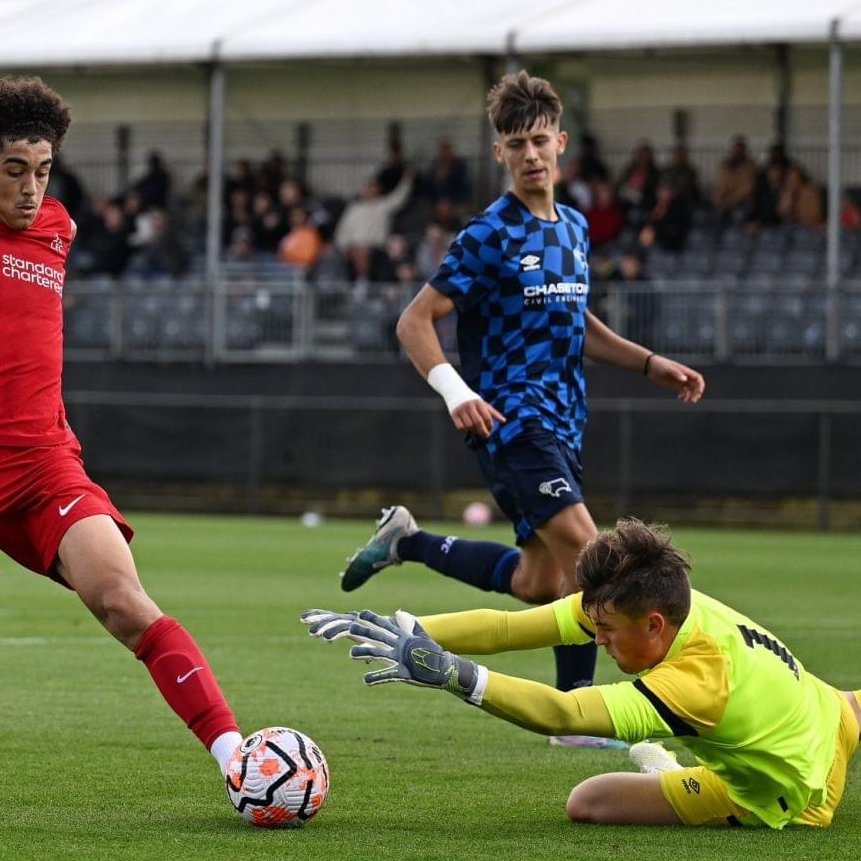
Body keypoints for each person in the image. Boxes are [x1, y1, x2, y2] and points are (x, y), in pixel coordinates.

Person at [338, 70, 704, 747]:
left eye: (539, 139)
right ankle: (578, 708)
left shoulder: (572, 226)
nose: (530, 154)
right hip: (511, 421)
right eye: (516, 143)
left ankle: (407, 541)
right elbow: (415, 322)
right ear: (499, 154)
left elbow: (577, 321)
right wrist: (458, 391)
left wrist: (648, 361)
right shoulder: (488, 234)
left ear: (561, 143)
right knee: (597, 556)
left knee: (543, 582)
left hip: (565, 420)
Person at [0, 77, 243, 792]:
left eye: (42, 171)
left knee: (124, 603)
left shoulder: (59, 229)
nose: (30, 190)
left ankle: (239, 761)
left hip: (44, 468)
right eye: (14, 169)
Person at [305, 518, 861, 829]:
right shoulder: (647, 598)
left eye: (609, 632)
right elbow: (507, 628)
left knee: (587, 801)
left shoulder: (691, 685)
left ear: (654, 625)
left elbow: (567, 712)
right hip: (834, 707)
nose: (597, 640)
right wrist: (403, 626)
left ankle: (663, 763)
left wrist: (453, 674)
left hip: (791, 792)